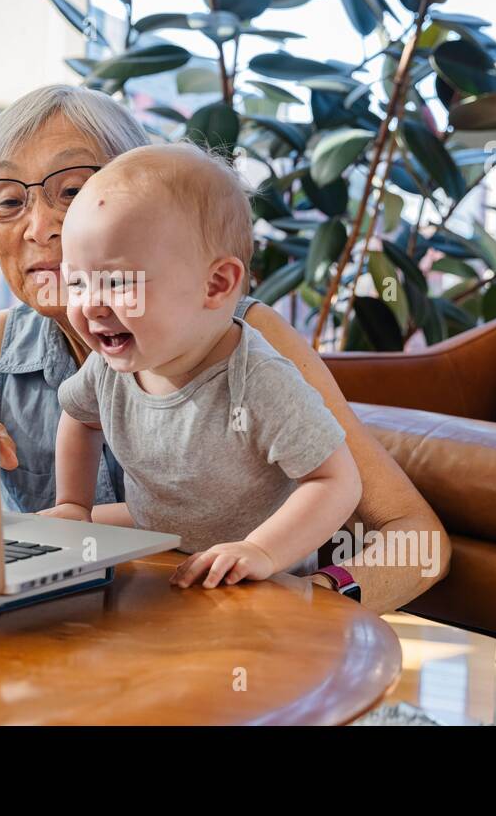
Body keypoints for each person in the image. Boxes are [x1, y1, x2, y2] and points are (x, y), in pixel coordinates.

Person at [0, 83, 450, 612]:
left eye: (71, 192)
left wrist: (308, 605)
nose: (39, 228)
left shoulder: (250, 343)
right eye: (10, 201)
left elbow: (417, 540)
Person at [43, 144, 362, 591]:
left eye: (116, 281)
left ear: (215, 285)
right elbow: (79, 417)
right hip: (163, 565)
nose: (91, 305)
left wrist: (260, 551)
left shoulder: (259, 380)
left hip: (255, 586)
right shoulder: (108, 368)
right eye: (77, 281)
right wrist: (74, 504)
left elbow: (336, 480)